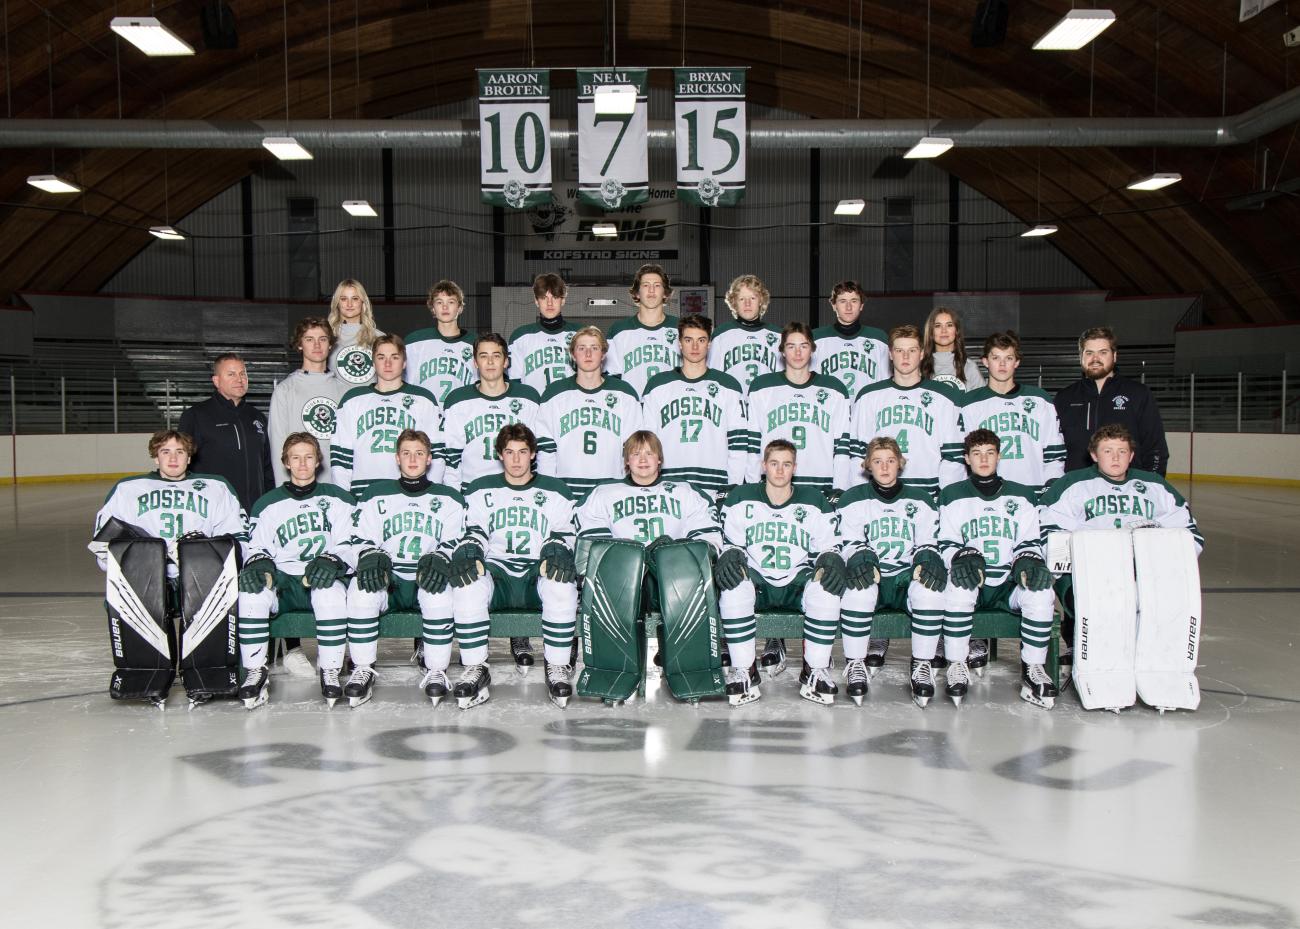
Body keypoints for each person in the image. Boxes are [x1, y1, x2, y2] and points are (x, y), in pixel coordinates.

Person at [1037, 423, 1203, 676]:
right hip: (1090, 571)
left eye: (1122, 451)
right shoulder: (1073, 484)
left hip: (1144, 571)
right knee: (1093, 601)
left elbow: (1189, 534)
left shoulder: (1154, 485)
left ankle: (1153, 659)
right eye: (1107, 451)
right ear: (1094, 454)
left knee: (1162, 599)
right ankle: (1084, 649)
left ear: (1131, 455)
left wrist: (1157, 553)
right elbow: (1047, 528)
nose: (1115, 457)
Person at [451, 424, 579, 709]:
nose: (517, 459)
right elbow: (473, 530)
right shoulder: (481, 489)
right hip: (499, 573)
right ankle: (475, 668)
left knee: (561, 581)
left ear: (533, 454)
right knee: (468, 582)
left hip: (537, 571)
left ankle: (556, 666)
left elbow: (564, 530)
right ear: (500, 455)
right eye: (509, 452)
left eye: (523, 452)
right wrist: (471, 548)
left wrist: (555, 547)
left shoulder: (555, 490)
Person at [716, 440, 846, 706]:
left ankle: (815, 669)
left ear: (794, 468)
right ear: (764, 466)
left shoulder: (814, 500)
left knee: (826, 591)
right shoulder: (741, 497)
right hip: (757, 577)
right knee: (733, 587)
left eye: (786, 464)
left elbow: (828, 545)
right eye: (774, 463)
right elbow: (730, 543)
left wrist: (831, 558)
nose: (779, 470)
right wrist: (728, 552)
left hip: (797, 578)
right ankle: (744, 670)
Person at [344, 429, 468, 707]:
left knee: (439, 591)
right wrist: (371, 555)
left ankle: (436, 670)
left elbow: (456, 539)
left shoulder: (449, 497)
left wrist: (441, 556)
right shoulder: (375, 494)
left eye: (419, 453)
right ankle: (362, 668)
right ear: (397, 458)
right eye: (406, 453)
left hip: (426, 577)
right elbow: (359, 537)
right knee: (361, 587)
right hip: (390, 578)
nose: (413, 459)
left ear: (430, 459)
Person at [233, 433, 356, 709]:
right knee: (251, 594)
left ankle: (331, 669)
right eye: (296, 458)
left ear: (318, 461)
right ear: (286, 462)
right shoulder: (267, 503)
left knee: (330, 595)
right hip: (284, 579)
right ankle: (256, 670)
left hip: (323, 574)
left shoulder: (339, 498)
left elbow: (351, 543)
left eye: (308, 457)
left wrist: (332, 560)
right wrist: (260, 564)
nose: (302, 464)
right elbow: (256, 547)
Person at [937, 428, 1057, 709]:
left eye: (989, 453)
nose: (983, 459)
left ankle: (1033, 668)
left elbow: (1029, 541)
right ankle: (957, 663)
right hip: (974, 581)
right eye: (977, 454)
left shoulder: (1022, 495)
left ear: (998, 456)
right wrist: (962, 554)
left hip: (1007, 583)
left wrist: (1028, 559)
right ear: (966, 458)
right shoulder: (952, 495)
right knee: (958, 583)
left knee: (1041, 591)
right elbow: (945, 542)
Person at [835, 437, 947, 705]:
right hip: (873, 574)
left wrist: (927, 556)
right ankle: (855, 663)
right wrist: (860, 555)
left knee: (930, 590)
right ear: (867, 466)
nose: (884, 467)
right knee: (857, 588)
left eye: (890, 461)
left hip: (906, 575)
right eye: (877, 461)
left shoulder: (920, 499)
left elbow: (928, 541)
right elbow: (848, 541)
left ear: (900, 463)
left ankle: (922, 664)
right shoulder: (852, 499)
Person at [90, 430, 246, 581]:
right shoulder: (127, 489)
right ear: (156, 458)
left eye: (180, 452)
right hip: (145, 575)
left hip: (202, 572)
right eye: (165, 452)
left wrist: (208, 555)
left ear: (189, 457)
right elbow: (103, 550)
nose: (173, 459)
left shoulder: (216, 487)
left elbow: (237, 536)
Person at [640, 314, 751, 501]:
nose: (695, 347)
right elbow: (647, 442)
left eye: (701, 340)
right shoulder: (657, 385)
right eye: (688, 340)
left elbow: (738, 443)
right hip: (668, 483)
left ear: (709, 343)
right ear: (679, 343)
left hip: (714, 484)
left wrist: (732, 486)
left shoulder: (728, 385)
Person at [849, 324, 964, 496]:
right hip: (880, 492)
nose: (905, 356)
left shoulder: (945, 397)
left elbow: (953, 457)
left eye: (912, 350)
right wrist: (862, 495)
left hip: (928, 492)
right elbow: (859, 455)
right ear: (890, 354)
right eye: (899, 350)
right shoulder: (869, 396)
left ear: (922, 353)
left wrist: (945, 497)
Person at [535, 326, 643, 504]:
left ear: (603, 354)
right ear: (573, 354)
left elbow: (634, 450)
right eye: (581, 348)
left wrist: (629, 487)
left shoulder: (624, 393)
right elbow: (546, 450)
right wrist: (550, 489)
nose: (588, 354)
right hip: (566, 488)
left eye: (594, 348)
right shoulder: (554, 393)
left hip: (612, 488)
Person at [745, 321, 853, 498]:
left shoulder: (834, 389)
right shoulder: (762, 387)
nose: (797, 353)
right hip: (774, 485)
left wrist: (839, 489)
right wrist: (752, 486)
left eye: (803, 346)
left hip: (820, 483)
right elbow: (753, 444)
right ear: (782, 350)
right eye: (791, 346)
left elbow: (841, 448)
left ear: (812, 349)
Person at [331, 334, 443, 496]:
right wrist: (343, 499)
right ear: (373, 362)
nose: (388, 363)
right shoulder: (352, 400)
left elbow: (436, 455)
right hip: (363, 492)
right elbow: (341, 459)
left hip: (410, 490)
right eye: (381, 357)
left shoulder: (423, 399)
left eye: (394, 357)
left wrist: (429, 493)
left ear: (404, 362)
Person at [959, 331, 1065, 498]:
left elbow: (1054, 455)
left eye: (1008, 358)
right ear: (985, 361)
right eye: (996, 358)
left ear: (1017, 362)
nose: (1002, 364)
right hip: (986, 495)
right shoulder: (969, 404)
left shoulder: (1040, 400)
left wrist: (1051, 492)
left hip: (1033, 492)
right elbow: (963, 458)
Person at [1053, 326, 1169, 474]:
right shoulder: (1064, 397)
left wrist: (1153, 484)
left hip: (1127, 488)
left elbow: (1155, 447)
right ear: (1081, 357)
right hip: (1077, 488)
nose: (1095, 359)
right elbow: (1054, 450)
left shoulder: (1138, 393)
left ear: (1114, 356)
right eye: (1089, 353)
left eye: (1103, 352)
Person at [440, 333, 542, 492]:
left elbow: (537, 453)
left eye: (496, 355)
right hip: (472, 491)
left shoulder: (528, 397)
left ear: (506, 361)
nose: (490, 362)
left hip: (519, 488)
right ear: (475, 362)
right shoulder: (457, 400)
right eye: (483, 356)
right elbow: (451, 460)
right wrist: (456, 497)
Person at [178, 353, 274, 513]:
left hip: (255, 512)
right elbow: (183, 467)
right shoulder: (196, 415)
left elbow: (266, 467)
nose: (239, 379)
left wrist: (269, 503)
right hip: (213, 513)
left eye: (243, 373)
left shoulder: (257, 417)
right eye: (231, 374)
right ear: (216, 381)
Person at [269, 316, 348, 487]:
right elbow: (278, 448)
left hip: (337, 488)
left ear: (330, 345)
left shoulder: (345, 391)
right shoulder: (284, 391)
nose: (317, 345)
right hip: (299, 489)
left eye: (323, 339)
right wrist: (285, 491)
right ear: (299, 344)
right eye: (309, 339)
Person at [606, 263, 680, 397]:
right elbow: (611, 377)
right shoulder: (619, 330)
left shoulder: (681, 328)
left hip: (670, 407)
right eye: (646, 285)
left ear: (665, 293)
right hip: (633, 407)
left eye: (657, 286)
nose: (651, 290)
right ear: (637, 293)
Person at [404, 279, 479, 403]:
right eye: (439, 302)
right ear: (433, 308)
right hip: (423, 413)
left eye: (451, 302)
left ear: (460, 308)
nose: (445, 307)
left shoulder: (475, 343)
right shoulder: (414, 342)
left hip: (462, 413)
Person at [812, 280, 890, 398]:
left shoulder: (879, 339)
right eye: (843, 301)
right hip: (829, 411)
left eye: (854, 301)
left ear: (862, 305)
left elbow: (886, 384)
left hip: (867, 412)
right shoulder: (816, 338)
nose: (848, 307)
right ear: (833, 305)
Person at [708, 274, 782, 395]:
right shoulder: (721, 335)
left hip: (766, 406)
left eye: (752, 298)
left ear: (761, 300)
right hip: (732, 405)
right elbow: (713, 378)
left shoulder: (778, 335)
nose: (747, 304)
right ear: (734, 302)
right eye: (742, 299)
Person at [508, 272, 581, 395]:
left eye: (555, 297)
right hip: (534, 406)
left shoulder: (579, 334)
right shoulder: (520, 336)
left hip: (570, 406)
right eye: (544, 298)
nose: (550, 303)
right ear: (536, 301)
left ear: (563, 301)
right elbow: (514, 381)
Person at [327, 278, 385, 387]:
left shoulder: (379, 337)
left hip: (369, 401)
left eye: (355, 298)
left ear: (363, 302)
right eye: (343, 299)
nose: (349, 304)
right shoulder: (327, 337)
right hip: (338, 401)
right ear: (337, 303)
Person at [921, 306, 985, 391]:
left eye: (949, 325)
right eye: (938, 326)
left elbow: (982, 402)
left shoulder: (970, 367)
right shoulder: (919, 367)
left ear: (956, 331)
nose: (944, 330)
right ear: (930, 332)